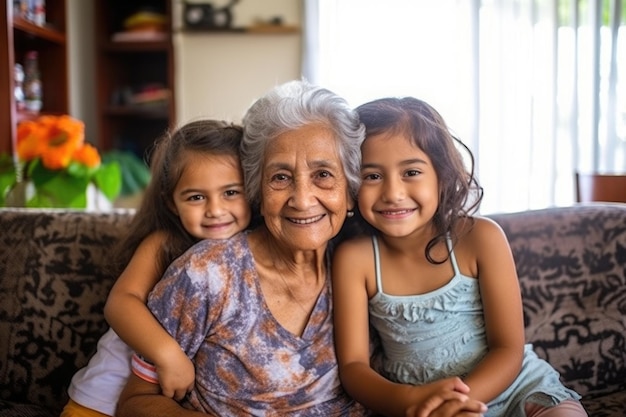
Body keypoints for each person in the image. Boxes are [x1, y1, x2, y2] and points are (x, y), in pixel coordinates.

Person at [115, 80, 488, 417]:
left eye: (323, 175)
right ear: (257, 191)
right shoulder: (206, 274)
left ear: (351, 192)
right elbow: (136, 401)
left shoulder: (367, 263)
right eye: (280, 178)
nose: (303, 199)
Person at [331, 96, 588, 417]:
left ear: (442, 175)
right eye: (372, 176)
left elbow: (508, 348)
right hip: (417, 402)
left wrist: (458, 402)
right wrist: (413, 403)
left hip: (514, 388)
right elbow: (354, 367)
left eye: (411, 172)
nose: (393, 193)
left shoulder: (480, 238)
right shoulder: (355, 259)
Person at [60, 119, 252, 417]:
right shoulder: (165, 243)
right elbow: (121, 303)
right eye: (196, 197)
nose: (215, 209)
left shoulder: (250, 251)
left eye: (230, 192)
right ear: (172, 203)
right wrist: (168, 355)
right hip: (100, 403)